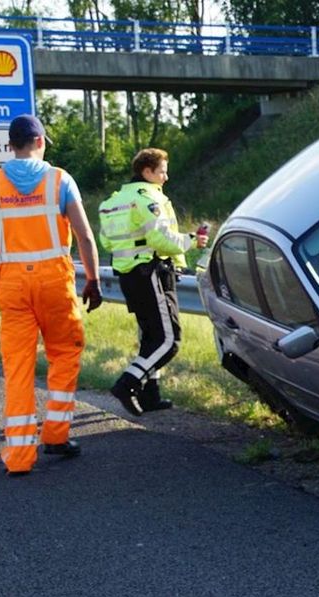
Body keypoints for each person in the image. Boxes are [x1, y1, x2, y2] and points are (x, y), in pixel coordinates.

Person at [0, 114, 102, 476]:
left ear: (11, 145)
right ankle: (56, 435)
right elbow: (84, 236)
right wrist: (94, 279)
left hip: (12, 286)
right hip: (54, 282)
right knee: (65, 352)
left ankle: (20, 456)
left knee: (18, 366)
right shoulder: (60, 180)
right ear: (40, 142)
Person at [98, 148, 207, 415]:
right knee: (169, 340)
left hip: (129, 274)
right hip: (151, 273)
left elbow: (106, 241)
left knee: (151, 337)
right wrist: (192, 240)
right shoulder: (146, 198)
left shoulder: (114, 200)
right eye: (162, 171)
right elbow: (161, 239)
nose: (166, 177)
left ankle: (150, 397)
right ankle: (128, 383)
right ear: (147, 172)